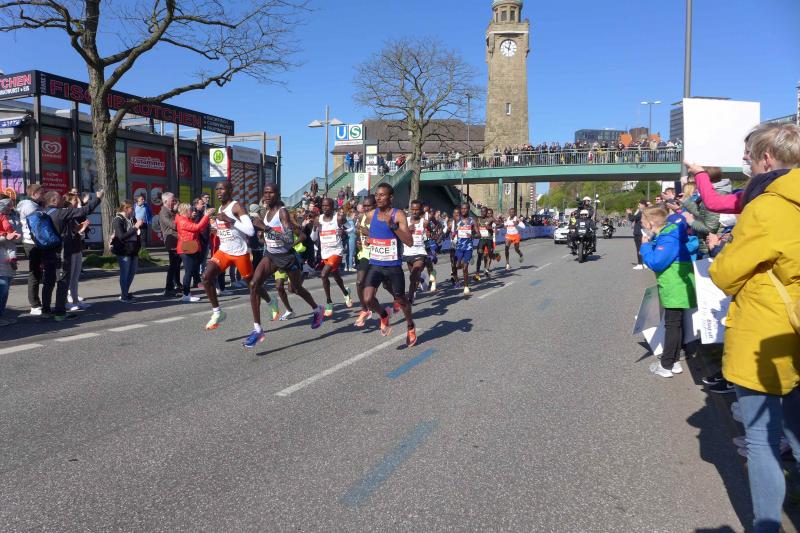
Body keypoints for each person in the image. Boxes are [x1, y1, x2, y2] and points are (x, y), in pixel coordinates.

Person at [708, 122, 800, 533]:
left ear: (766, 158)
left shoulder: (766, 206)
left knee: (762, 441)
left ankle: (766, 527)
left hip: (767, 330)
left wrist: (722, 252)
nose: (745, 164)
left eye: (748, 157)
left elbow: (725, 274)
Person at [245, 183, 325, 348]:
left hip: (287, 257)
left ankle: (318, 309)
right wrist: (262, 235)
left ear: (277, 194)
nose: (267, 195)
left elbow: (288, 239)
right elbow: (267, 236)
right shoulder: (266, 213)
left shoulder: (282, 212)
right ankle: (257, 329)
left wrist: (266, 228)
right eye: (265, 192)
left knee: (295, 289)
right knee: (254, 284)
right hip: (271, 255)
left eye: (271, 193)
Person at [640, 206, 695, 378]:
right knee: (676, 324)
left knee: (672, 325)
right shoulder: (668, 234)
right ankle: (674, 361)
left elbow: (656, 263)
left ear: (650, 223)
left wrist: (645, 246)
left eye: (642, 221)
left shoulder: (669, 238)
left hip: (674, 286)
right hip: (676, 285)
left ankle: (666, 364)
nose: (642, 225)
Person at [362, 183, 417, 347]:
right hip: (375, 263)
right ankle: (384, 314)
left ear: (390, 198)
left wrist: (392, 226)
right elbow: (363, 228)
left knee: (401, 299)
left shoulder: (398, 214)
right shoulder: (371, 214)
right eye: (376, 195)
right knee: (367, 298)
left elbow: (409, 241)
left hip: (393, 265)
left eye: (382, 195)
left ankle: (410, 325)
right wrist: (370, 238)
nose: (378, 198)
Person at [201, 181, 256, 330]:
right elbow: (225, 230)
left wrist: (229, 220)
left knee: (252, 284)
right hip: (224, 251)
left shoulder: (236, 206)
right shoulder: (220, 208)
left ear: (230, 190)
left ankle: (270, 301)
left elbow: (250, 231)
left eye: (222, 189)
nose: (218, 192)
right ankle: (217, 312)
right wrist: (215, 228)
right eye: (217, 189)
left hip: (239, 252)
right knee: (206, 277)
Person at [39, 189, 102, 320]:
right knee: (63, 281)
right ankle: (60, 312)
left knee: (48, 282)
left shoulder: (43, 213)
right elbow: (84, 210)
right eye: (60, 198)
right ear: (54, 200)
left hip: (47, 252)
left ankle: (45, 311)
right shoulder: (60, 213)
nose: (63, 199)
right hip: (61, 253)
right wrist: (98, 198)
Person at [313, 197, 353, 317]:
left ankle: (329, 302)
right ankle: (346, 293)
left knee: (324, 274)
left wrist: (344, 232)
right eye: (323, 206)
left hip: (336, 251)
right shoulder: (318, 219)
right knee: (335, 275)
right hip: (325, 252)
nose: (325, 208)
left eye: (327, 206)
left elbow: (352, 229)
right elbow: (313, 238)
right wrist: (315, 228)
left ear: (332, 207)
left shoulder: (339, 218)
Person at [16, 183, 45, 315]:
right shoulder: (29, 206)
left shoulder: (34, 204)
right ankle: (34, 305)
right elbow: (37, 224)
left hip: (35, 242)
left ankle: (36, 302)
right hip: (32, 243)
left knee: (38, 272)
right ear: (34, 194)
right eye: (41, 193)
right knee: (34, 273)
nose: (43, 195)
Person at [176, 202, 213, 303]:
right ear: (185, 211)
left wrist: (205, 218)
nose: (192, 212)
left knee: (191, 271)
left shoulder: (185, 219)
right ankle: (186, 294)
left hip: (189, 247)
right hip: (186, 248)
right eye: (190, 210)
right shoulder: (182, 221)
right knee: (188, 272)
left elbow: (199, 227)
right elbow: (196, 228)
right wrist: (206, 216)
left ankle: (187, 294)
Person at [62, 192, 91, 311]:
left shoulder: (73, 216)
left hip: (77, 248)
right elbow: (69, 233)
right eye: (75, 200)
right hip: (70, 249)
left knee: (75, 276)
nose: (77, 202)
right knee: (69, 277)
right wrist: (81, 228)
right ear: (68, 202)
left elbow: (76, 231)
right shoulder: (65, 215)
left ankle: (75, 300)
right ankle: (66, 301)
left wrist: (82, 227)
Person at [111, 201, 143, 302]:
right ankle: (124, 296)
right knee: (125, 273)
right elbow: (121, 236)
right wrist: (135, 227)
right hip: (123, 250)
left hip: (133, 249)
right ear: (126, 209)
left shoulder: (132, 219)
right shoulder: (118, 219)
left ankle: (125, 292)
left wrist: (140, 225)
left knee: (132, 272)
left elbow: (137, 230)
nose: (133, 210)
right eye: (131, 208)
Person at [403, 200, 430, 303]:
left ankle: (410, 298)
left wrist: (429, 234)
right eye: (412, 209)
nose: (414, 212)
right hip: (408, 252)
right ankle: (421, 279)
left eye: (417, 209)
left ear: (420, 210)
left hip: (420, 252)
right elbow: (399, 233)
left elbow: (431, 232)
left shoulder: (424, 222)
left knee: (413, 275)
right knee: (413, 276)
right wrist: (407, 230)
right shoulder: (405, 220)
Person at [0, 197, 21, 326]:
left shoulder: (11, 217)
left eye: (11, 205)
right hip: (1, 257)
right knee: (2, 287)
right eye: (8, 205)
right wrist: (5, 237)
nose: (10, 208)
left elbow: (17, 235)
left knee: (5, 288)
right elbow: (7, 236)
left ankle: (1, 315)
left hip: (8, 256)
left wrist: (15, 236)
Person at [159, 192, 181, 297]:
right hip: (171, 241)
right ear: (166, 201)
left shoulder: (171, 211)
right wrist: (182, 221)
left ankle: (176, 284)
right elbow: (173, 225)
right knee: (173, 265)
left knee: (177, 264)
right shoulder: (163, 212)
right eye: (173, 200)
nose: (174, 202)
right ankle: (168, 288)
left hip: (177, 241)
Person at [454, 203, 477, 296]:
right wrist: (453, 234)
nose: (463, 210)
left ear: (468, 209)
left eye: (465, 208)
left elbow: (478, 234)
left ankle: (466, 287)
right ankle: (468, 260)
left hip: (468, 247)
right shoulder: (457, 219)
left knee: (465, 267)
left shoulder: (472, 220)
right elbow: (455, 230)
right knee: (457, 266)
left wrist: (472, 235)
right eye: (462, 208)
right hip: (459, 247)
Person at [475, 206, 495, 279]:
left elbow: (500, 224)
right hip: (482, 239)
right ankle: (477, 273)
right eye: (481, 211)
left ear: (487, 212)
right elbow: (474, 227)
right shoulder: (478, 219)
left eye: (484, 211)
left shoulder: (490, 219)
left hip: (489, 239)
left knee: (489, 255)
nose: (483, 213)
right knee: (480, 255)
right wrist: (475, 233)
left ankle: (486, 270)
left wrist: (491, 228)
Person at [626, 200, 647, 270]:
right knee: (644, 247)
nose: (638, 206)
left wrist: (629, 213)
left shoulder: (641, 212)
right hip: (644, 232)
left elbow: (632, 219)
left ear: (643, 205)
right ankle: (644, 263)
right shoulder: (646, 212)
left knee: (639, 248)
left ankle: (640, 264)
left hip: (639, 232)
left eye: (639, 205)